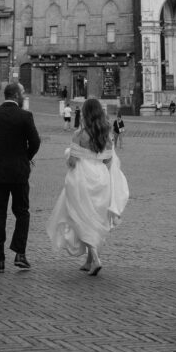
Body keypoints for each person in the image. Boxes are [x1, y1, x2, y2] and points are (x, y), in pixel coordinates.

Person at [46, 97, 129, 277]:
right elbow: (108, 159)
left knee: (81, 217)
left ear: (85, 113)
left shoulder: (79, 135)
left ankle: (96, 259)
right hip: (102, 178)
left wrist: (68, 156)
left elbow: (73, 161)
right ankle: (89, 260)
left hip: (82, 178)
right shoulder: (105, 133)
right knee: (95, 217)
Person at [0, 81, 41, 273]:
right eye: (22, 93)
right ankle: (20, 254)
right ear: (15, 96)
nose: (24, 96)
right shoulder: (25, 116)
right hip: (19, 174)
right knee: (22, 212)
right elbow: (36, 142)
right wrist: (25, 158)